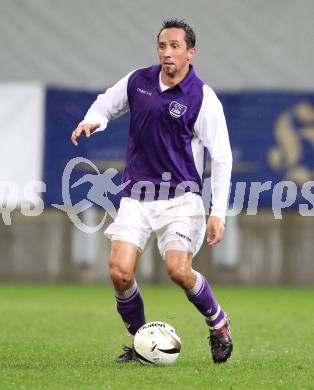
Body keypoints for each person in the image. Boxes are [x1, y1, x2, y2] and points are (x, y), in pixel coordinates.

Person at [71, 19, 233, 364]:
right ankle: (141, 341)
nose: (167, 52)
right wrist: (92, 121)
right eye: (162, 45)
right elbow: (106, 104)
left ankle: (218, 323)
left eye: (175, 46)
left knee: (178, 270)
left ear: (191, 52)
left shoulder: (202, 97)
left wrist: (217, 211)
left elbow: (221, 157)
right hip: (136, 196)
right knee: (119, 271)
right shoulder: (138, 81)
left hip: (181, 200)